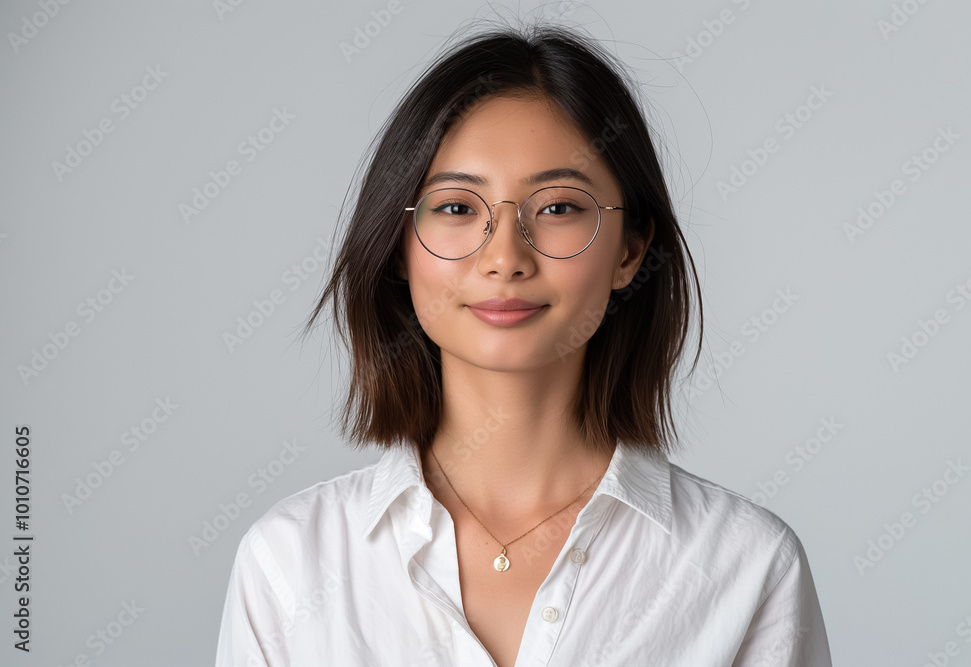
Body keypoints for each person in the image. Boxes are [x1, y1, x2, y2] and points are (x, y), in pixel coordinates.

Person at [215, 20, 833, 667]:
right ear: (398, 247)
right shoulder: (288, 564)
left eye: (559, 207)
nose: (505, 256)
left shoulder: (745, 567)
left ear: (631, 249)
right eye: (457, 208)